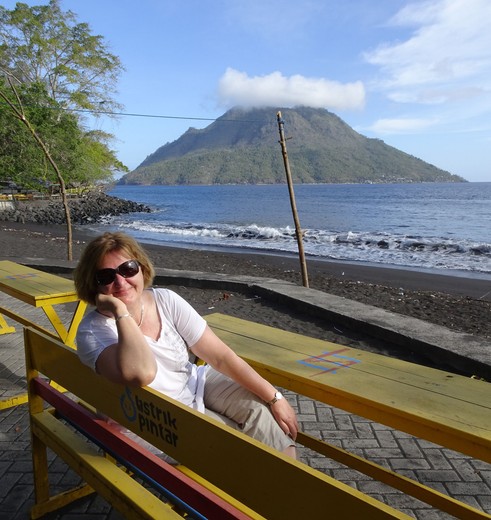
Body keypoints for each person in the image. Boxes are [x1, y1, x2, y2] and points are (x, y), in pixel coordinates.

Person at [73, 232, 298, 460]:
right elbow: (141, 373)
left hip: (193, 383)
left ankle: (296, 491)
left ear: (142, 268)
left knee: (262, 410)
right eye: (106, 277)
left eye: (128, 268)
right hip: (153, 421)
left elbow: (220, 356)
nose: (121, 281)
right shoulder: (93, 331)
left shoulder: (165, 300)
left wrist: (275, 397)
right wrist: (121, 312)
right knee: (240, 445)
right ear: (93, 284)